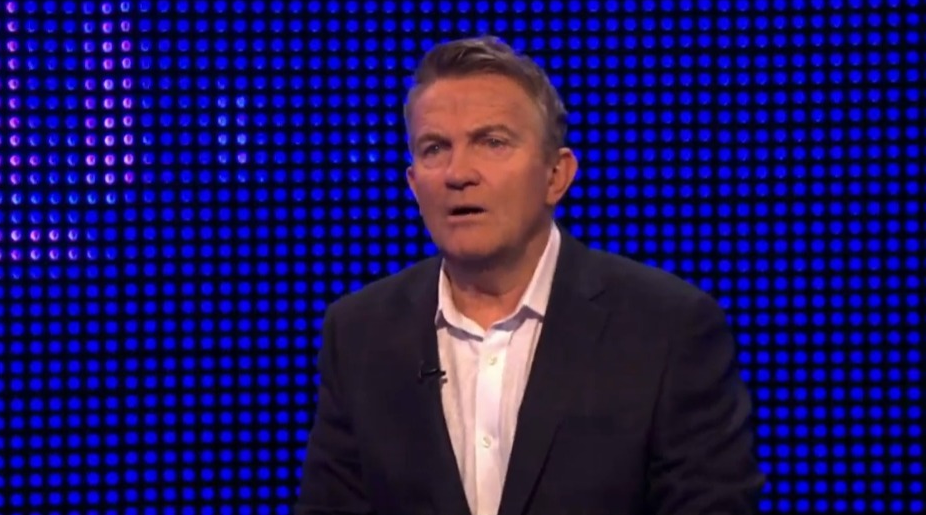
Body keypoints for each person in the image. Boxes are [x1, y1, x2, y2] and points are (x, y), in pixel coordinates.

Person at [294, 35, 765, 515]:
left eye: (492, 142)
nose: (458, 173)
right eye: (435, 148)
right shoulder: (359, 333)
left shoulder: (666, 327)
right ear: (414, 184)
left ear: (556, 175)